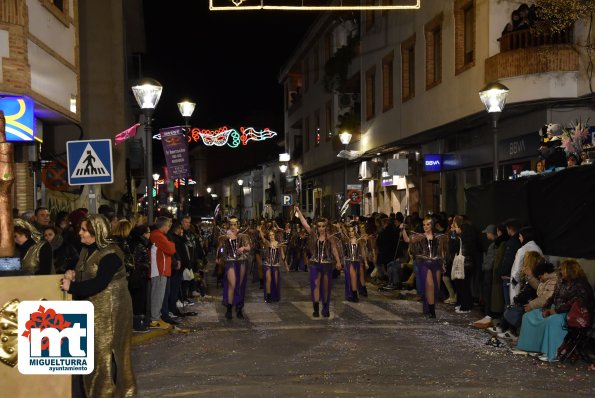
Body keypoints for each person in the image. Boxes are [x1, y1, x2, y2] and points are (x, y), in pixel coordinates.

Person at [59, 214, 136, 397]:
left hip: (111, 310)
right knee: (94, 353)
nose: (80, 233)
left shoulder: (111, 254)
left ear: (97, 232)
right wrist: (74, 274)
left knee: (105, 353)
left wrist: (73, 286)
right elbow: (88, 273)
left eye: (84, 230)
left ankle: (105, 393)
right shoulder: (88, 249)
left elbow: (100, 282)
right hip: (93, 308)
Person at [515, 259, 595, 362]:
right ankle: (533, 347)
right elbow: (553, 297)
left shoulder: (581, 285)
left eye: (563, 270)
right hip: (557, 308)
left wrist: (555, 311)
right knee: (529, 316)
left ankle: (551, 352)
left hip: (573, 314)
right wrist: (546, 307)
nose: (560, 271)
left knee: (552, 320)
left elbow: (575, 304)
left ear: (570, 270)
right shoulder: (562, 281)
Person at [295, 206, 342, 318]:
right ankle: (316, 309)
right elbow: (305, 224)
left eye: (323, 226)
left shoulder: (330, 237)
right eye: (319, 226)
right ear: (317, 226)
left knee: (326, 287)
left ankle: (325, 309)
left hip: (326, 265)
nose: (321, 228)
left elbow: (335, 249)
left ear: (326, 227)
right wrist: (299, 212)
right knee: (315, 285)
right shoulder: (314, 235)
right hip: (315, 264)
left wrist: (339, 262)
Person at [401, 216, 449, 318]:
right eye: (424, 225)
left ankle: (430, 307)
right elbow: (406, 240)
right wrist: (403, 230)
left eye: (428, 224)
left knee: (435, 288)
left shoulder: (438, 236)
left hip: (436, 263)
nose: (425, 226)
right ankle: (432, 313)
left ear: (432, 225)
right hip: (424, 263)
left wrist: (443, 265)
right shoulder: (420, 236)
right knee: (430, 285)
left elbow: (443, 252)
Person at [216, 216, 251, 319]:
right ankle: (229, 308)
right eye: (231, 225)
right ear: (229, 225)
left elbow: (249, 247)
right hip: (230, 262)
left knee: (240, 286)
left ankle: (239, 308)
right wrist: (218, 257)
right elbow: (219, 247)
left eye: (235, 225)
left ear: (237, 225)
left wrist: (243, 248)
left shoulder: (242, 235)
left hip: (241, 262)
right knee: (233, 284)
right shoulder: (225, 235)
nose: (233, 227)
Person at [149, 216, 176, 329]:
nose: (169, 228)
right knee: (158, 295)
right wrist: (171, 243)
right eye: (168, 226)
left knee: (159, 294)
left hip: (161, 269)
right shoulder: (158, 235)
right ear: (163, 226)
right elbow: (171, 249)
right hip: (160, 269)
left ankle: (156, 317)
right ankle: (155, 319)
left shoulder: (158, 235)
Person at [338, 222, 368, 302]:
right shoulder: (346, 240)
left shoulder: (359, 240)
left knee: (357, 277)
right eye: (349, 231)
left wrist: (365, 262)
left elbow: (362, 251)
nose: (351, 233)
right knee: (353, 277)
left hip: (357, 261)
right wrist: (339, 227)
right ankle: (354, 295)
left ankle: (359, 291)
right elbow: (342, 233)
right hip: (349, 261)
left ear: (355, 231)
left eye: (352, 231)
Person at [259, 224, 289, 303]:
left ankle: (275, 295)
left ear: (275, 235)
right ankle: (268, 297)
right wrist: (260, 230)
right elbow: (262, 237)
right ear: (268, 236)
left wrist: (286, 265)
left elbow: (282, 256)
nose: (271, 236)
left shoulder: (278, 244)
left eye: (272, 235)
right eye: (270, 235)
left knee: (275, 281)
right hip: (268, 264)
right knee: (268, 279)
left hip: (276, 265)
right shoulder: (267, 243)